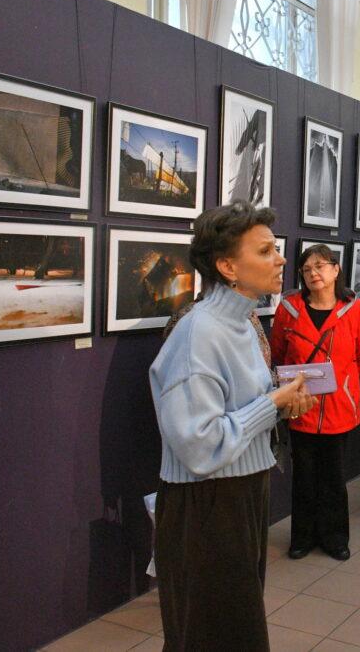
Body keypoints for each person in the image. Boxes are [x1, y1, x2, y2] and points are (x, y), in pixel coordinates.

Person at [149, 202, 316, 650]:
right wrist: (271, 403)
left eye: (275, 249)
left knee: (232, 629)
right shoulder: (198, 331)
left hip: (240, 493)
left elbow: (237, 410)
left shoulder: (240, 323)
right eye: (265, 251)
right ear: (227, 266)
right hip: (207, 504)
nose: (281, 259)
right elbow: (199, 446)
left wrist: (281, 407)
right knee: (214, 635)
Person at [270, 244, 360, 561]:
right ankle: (302, 537)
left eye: (320, 266)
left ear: (335, 269)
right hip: (300, 409)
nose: (313, 273)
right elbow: (278, 354)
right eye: (306, 269)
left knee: (333, 478)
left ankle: (335, 538)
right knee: (303, 476)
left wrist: (341, 384)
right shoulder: (288, 310)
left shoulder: (354, 310)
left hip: (339, 409)